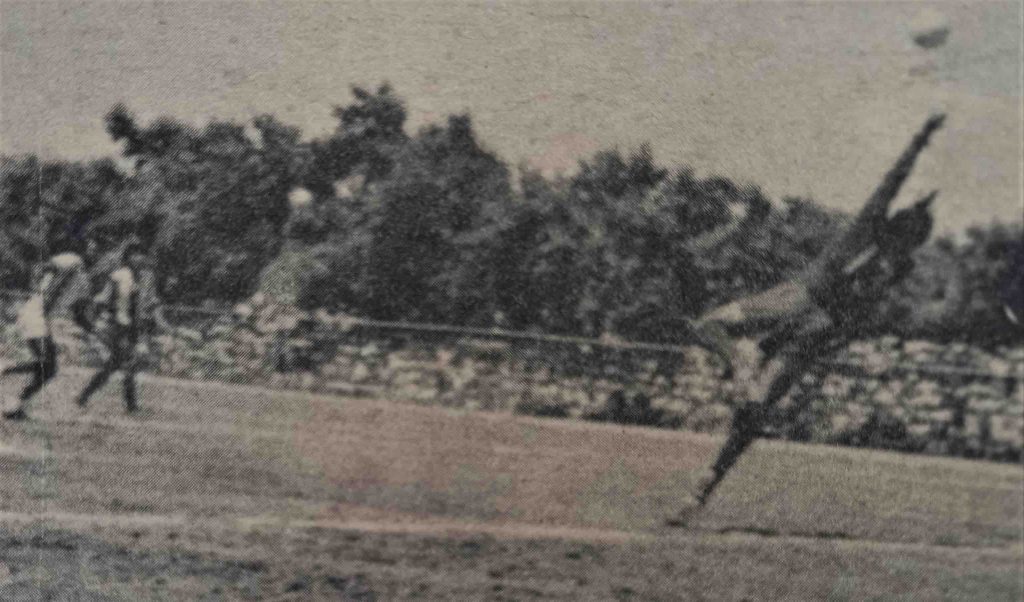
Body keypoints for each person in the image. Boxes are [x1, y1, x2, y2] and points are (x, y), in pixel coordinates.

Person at [2, 240, 95, 420]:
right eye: (93, 248)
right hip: (35, 313)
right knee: (47, 364)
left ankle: (15, 405)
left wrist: (94, 332)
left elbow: (79, 315)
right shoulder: (73, 259)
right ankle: (6, 373)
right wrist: (45, 296)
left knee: (50, 369)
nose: (95, 253)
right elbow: (49, 268)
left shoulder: (84, 282)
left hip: (42, 317)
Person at [75, 241, 149, 413]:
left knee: (113, 366)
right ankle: (131, 406)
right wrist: (95, 320)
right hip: (116, 326)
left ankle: (84, 396)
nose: (140, 258)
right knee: (128, 363)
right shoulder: (120, 275)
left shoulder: (136, 277)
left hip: (124, 326)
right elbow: (105, 298)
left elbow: (134, 308)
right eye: (136, 254)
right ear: (128, 257)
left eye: (141, 254)